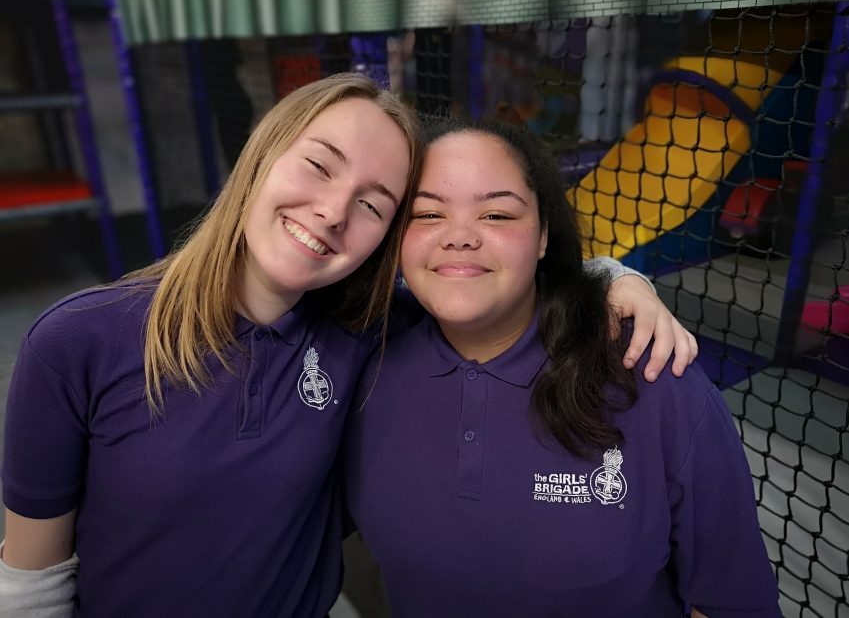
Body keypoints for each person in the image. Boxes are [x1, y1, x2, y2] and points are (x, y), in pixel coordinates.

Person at [0, 74, 694, 618]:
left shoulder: (364, 332)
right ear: (262, 157)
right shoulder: (77, 340)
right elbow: (32, 580)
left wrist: (611, 278)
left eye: (373, 203)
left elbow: (497, 286)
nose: (332, 211)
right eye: (318, 165)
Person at [344, 117, 780, 617]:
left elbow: (729, 600)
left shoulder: (651, 373)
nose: (459, 236)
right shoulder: (363, 364)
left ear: (544, 235)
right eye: (427, 215)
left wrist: (613, 277)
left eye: (497, 215)